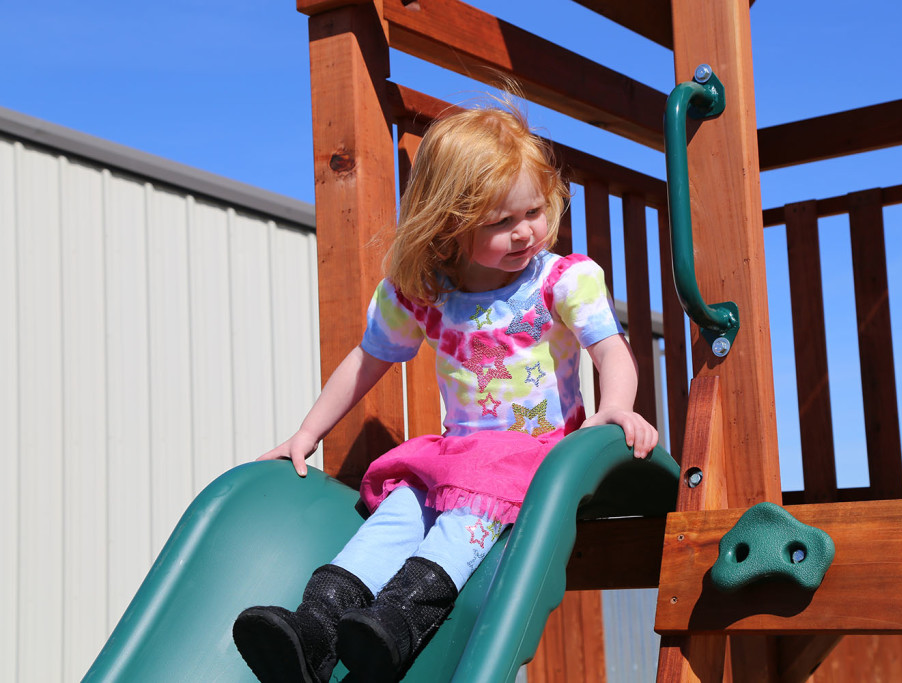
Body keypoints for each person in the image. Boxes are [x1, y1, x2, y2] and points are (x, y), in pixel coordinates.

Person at [232, 100, 659, 683]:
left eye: (534, 210)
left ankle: (398, 624)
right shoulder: (425, 294)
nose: (525, 231)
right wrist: (306, 434)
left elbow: (610, 350)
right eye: (500, 222)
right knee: (396, 516)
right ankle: (314, 630)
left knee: (463, 522)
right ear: (452, 223)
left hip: (535, 459)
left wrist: (615, 410)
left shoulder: (560, 281)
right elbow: (366, 361)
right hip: (457, 457)